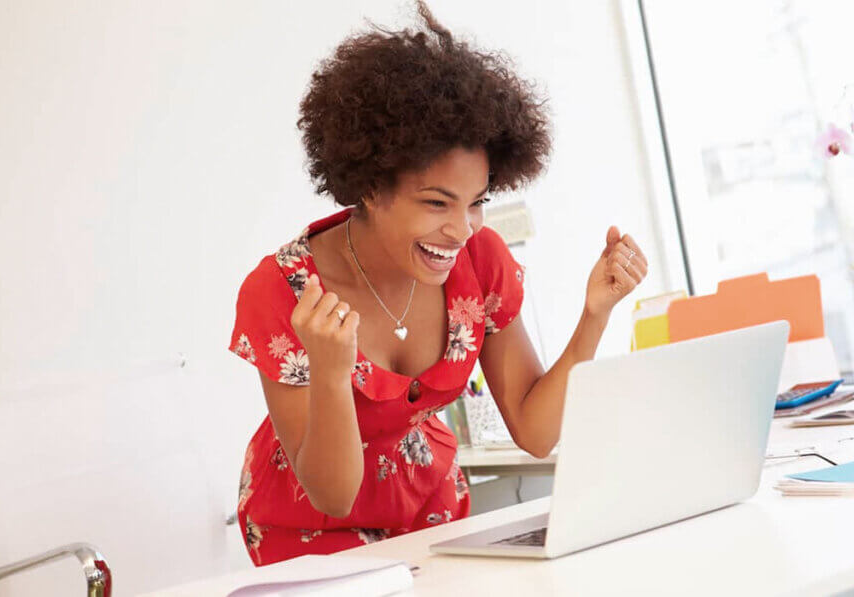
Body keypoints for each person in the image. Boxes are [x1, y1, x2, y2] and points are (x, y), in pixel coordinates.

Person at [228, 0, 648, 566]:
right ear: (371, 187)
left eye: (477, 202)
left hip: (431, 511)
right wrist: (331, 371)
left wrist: (595, 314)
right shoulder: (283, 292)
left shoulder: (481, 262)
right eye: (436, 203)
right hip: (311, 536)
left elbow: (535, 431)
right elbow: (331, 493)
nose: (461, 229)